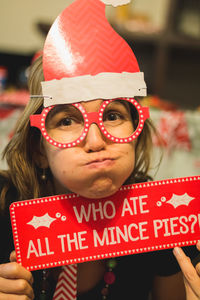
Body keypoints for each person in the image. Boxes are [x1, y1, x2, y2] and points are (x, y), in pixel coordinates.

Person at [0, 0, 199, 299]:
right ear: (39, 148)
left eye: (113, 115)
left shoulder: (161, 217)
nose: (95, 142)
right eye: (67, 120)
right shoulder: (4, 209)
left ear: (135, 130)